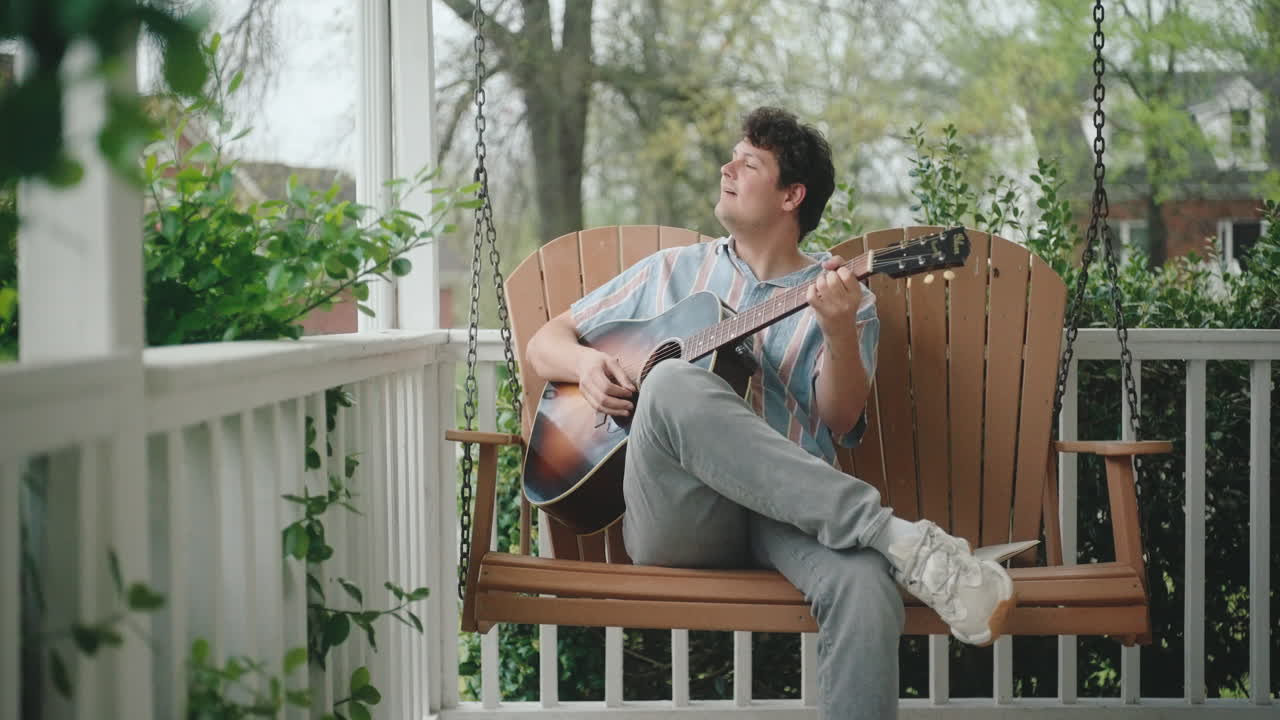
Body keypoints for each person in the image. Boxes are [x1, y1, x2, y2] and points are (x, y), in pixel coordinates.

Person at [524, 106, 1013, 719]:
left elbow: (838, 421)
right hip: (680, 515)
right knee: (672, 380)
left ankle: (885, 548)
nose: (727, 167)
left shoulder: (842, 295)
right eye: (733, 156)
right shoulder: (671, 271)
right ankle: (896, 537)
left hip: (793, 516)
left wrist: (837, 331)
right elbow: (546, 342)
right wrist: (587, 367)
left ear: (792, 195)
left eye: (748, 162)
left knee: (865, 585)